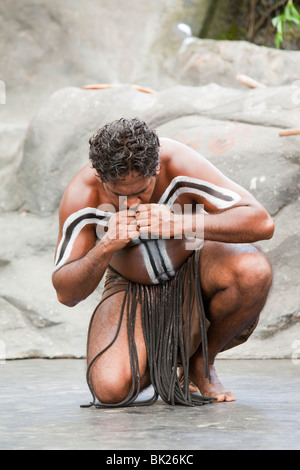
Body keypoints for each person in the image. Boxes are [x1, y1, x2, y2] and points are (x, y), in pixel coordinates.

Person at [52, 117, 274, 406]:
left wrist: (180, 224)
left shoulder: (178, 162)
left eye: (141, 191)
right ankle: (167, 361)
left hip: (195, 266)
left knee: (253, 270)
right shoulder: (82, 195)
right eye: (119, 194)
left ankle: (200, 362)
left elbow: (261, 222)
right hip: (131, 288)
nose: (132, 203)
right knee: (110, 389)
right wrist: (106, 246)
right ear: (99, 174)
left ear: (155, 167)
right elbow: (65, 293)